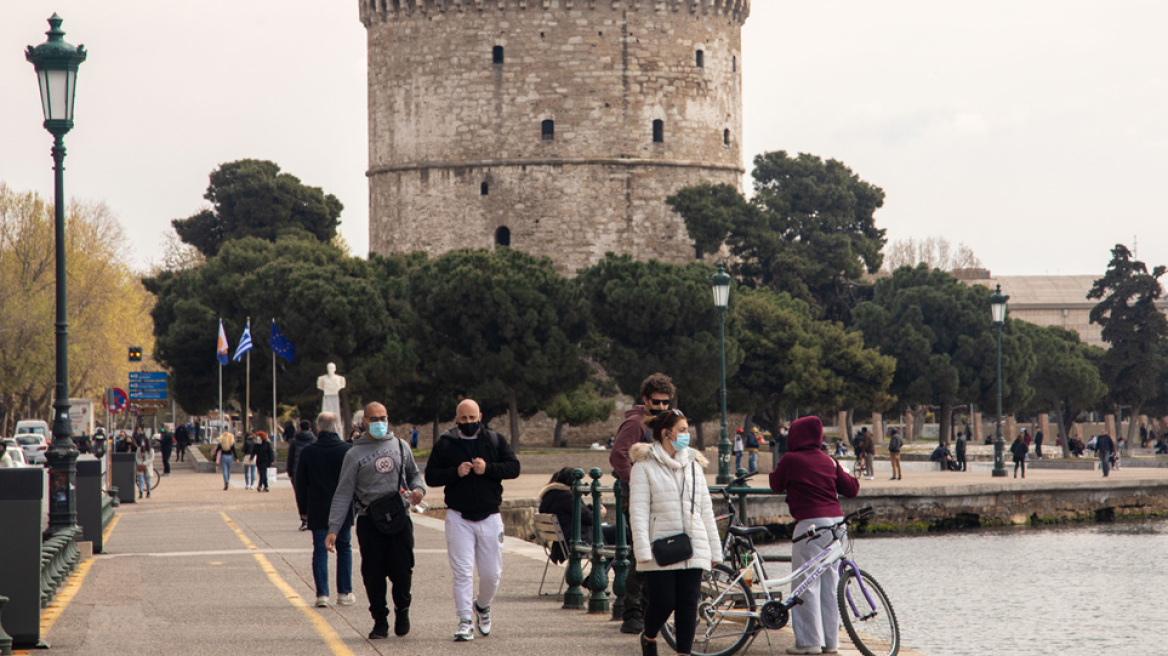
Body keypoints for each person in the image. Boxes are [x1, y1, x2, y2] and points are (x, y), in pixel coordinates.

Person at [424, 399, 521, 642]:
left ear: (480, 417)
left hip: (490, 516)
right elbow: (431, 477)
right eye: (463, 418)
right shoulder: (446, 444)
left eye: (472, 418)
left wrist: (487, 468)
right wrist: (454, 473)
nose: (468, 422)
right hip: (458, 517)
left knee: (492, 574)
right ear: (456, 419)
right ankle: (464, 620)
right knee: (463, 572)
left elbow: (513, 468)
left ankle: (483, 606)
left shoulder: (495, 440)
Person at [327, 402, 425, 639]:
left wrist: (418, 489)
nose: (380, 423)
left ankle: (403, 610)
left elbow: (414, 474)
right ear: (365, 422)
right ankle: (379, 620)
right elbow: (343, 493)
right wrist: (333, 529)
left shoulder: (401, 446)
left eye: (383, 418)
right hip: (370, 520)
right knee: (373, 573)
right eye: (374, 419)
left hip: (400, 517)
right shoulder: (354, 453)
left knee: (402, 570)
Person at [630, 408, 721, 656]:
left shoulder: (693, 465)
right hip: (660, 545)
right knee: (664, 602)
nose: (686, 435)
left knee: (689, 604)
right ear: (665, 433)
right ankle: (649, 636)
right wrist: (642, 549)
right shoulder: (644, 466)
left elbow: (705, 509)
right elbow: (637, 511)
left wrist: (714, 549)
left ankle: (684, 653)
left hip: (694, 543)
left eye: (687, 430)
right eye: (682, 430)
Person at [769, 416, 860, 655]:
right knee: (830, 585)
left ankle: (808, 642)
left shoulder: (791, 459)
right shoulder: (829, 461)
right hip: (837, 525)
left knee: (805, 582)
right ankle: (831, 643)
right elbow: (852, 489)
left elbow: (775, 484)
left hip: (810, 526)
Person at [609, 372, 675, 635]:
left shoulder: (658, 422)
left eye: (665, 402)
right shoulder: (637, 423)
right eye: (656, 402)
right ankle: (632, 615)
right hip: (637, 498)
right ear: (645, 399)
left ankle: (647, 612)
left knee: (653, 553)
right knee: (641, 555)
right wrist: (635, 481)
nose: (661, 407)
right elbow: (618, 455)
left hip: (655, 497)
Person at [296, 412, 354, 610]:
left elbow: (300, 483)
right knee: (345, 547)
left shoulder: (308, 451)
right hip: (343, 507)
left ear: (318, 428)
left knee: (320, 549)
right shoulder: (347, 450)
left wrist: (303, 510)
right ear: (337, 427)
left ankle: (322, 594)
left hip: (318, 506)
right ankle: (344, 592)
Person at [537, 467, 605, 564]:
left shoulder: (550, 495)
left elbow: (579, 511)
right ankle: (606, 574)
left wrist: (592, 508)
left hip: (562, 543)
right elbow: (589, 518)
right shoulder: (566, 496)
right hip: (577, 540)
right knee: (617, 535)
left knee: (609, 534)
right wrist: (600, 514)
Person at [288, 419, 317, 528]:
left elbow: (290, 458)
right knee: (312, 495)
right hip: (312, 471)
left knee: (300, 495)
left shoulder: (294, 442)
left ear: (299, 428)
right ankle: (311, 517)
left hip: (297, 471)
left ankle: (304, 518)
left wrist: (290, 472)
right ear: (310, 429)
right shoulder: (315, 440)